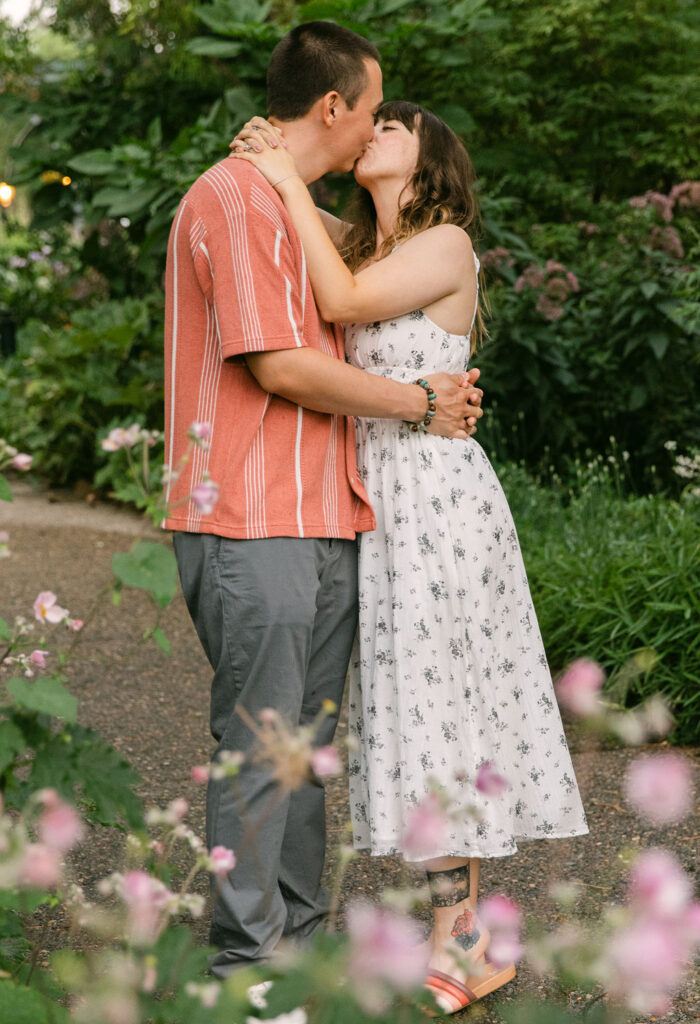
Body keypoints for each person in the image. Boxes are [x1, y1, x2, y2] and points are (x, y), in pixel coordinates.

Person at [231, 100, 589, 1013]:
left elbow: (342, 307)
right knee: (406, 712)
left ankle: (463, 942)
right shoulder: (363, 246)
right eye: (372, 119)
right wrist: (277, 163)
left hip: (436, 503)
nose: (377, 129)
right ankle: (467, 933)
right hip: (377, 504)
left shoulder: (448, 245)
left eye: (396, 125)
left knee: (441, 711)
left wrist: (283, 178)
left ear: (430, 162)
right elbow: (319, 292)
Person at [162, 23, 483, 979]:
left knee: (305, 755)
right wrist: (420, 401)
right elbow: (280, 363)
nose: (380, 125)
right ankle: (247, 969)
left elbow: (354, 288)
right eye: (374, 110)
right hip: (252, 514)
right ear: (334, 108)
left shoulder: (300, 209)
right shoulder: (235, 199)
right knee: (265, 750)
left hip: (331, 513)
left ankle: (294, 952)